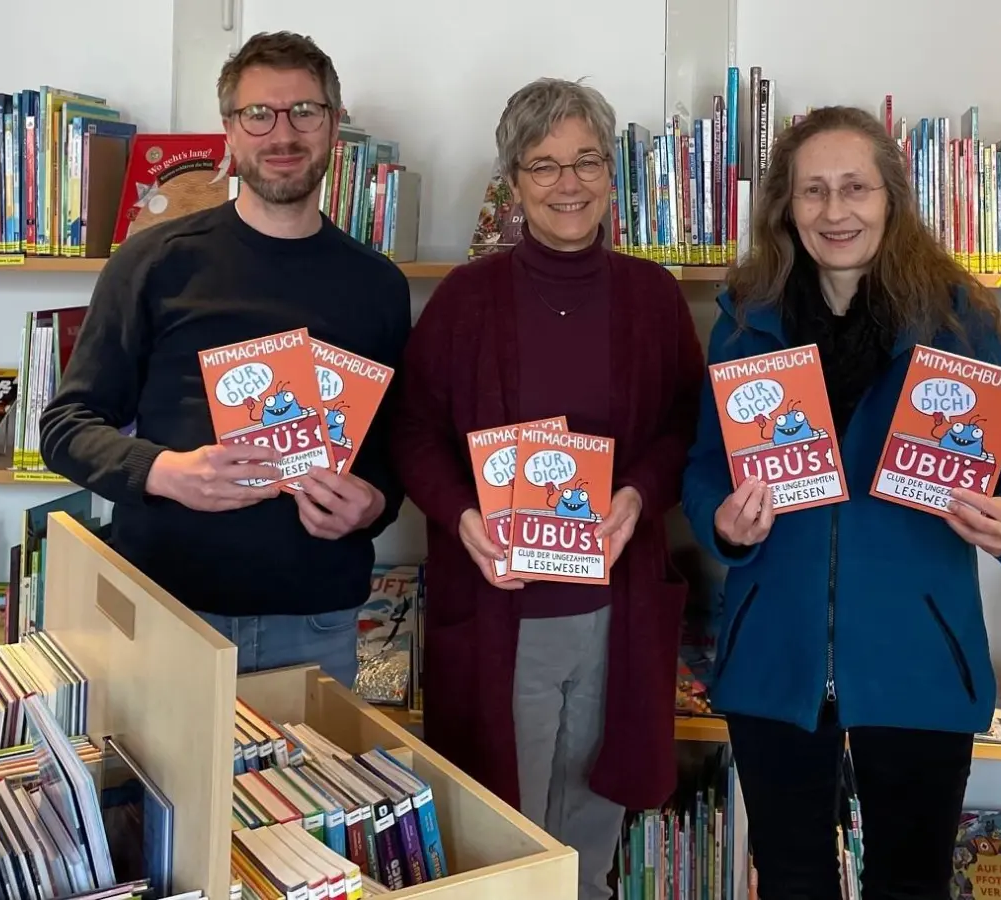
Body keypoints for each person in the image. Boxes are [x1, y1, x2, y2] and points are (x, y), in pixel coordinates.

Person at [681, 105, 1001, 900]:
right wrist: (720, 521)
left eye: (854, 188)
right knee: (790, 879)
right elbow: (704, 469)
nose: (834, 211)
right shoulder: (744, 321)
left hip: (918, 656)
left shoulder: (957, 321)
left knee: (911, 882)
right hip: (774, 656)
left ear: (890, 197)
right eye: (813, 191)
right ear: (784, 207)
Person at [390, 77, 703, 900]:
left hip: (615, 608)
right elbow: (412, 434)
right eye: (544, 165)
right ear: (513, 181)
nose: (568, 184)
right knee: (500, 839)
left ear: (610, 174)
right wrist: (460, 519)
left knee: (591, 836)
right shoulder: (465, 301)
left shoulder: (653, 297)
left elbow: (683, 427)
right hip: (502, 609)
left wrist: (635, 495)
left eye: (587, 161)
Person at [39, 31, 410, 687]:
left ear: (332, 127)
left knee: (309, 795)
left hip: (317, 620)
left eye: (305, 111)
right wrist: (165, 471)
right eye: (259, 114)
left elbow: (390, 451)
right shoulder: (153, 262)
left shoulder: (377, 283)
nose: (283, 133)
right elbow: (67, 427)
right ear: (230, 133)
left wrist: (373, 502)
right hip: (167, 611)